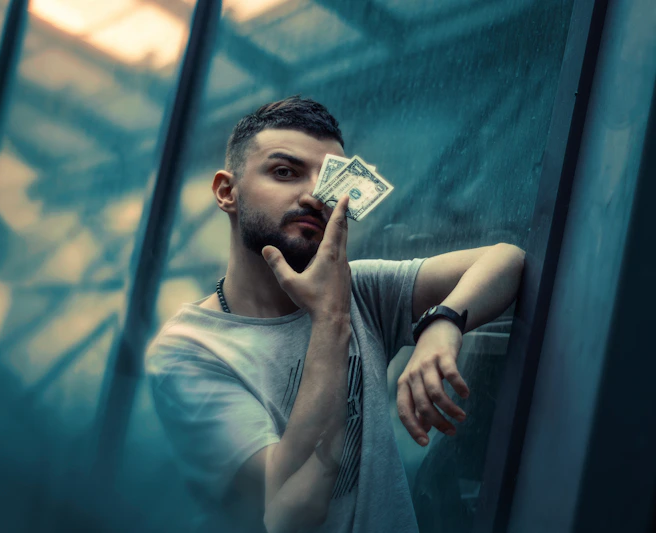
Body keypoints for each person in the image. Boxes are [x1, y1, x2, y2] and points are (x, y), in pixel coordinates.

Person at [145, 96, 525, 533]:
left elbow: (506, 259)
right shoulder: (188, 351)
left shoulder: (357, 287)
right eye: (284, 172)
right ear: (227, 191)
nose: (313, 196)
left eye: (330, 179)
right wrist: (330, 320)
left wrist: (443, 324)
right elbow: (293, 508)